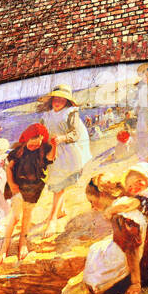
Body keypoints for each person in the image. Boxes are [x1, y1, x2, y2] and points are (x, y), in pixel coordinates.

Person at [82, 161, 148, 294]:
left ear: (102, 194)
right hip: (139, 252)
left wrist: (135, 284)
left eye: (92, 201)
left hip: (132, 262)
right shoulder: (128, 201)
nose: (92, 207)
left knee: (94, 261)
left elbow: (131, 248)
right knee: (96, 248)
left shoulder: (120, 215)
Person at [38, 84, 92, 237]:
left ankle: (52, 219)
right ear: (52, 99)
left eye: (62, 99)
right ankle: (60, 211)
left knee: (58, 185)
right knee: (57, 184)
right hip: (52, 152)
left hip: (68, 152)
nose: (58, 102)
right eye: (56, 98)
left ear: (67, 101)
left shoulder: (70, 113)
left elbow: (75, 134)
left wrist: (62, 138)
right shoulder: (47, 115)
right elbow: (42, 132)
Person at [0, 123, 55, 263]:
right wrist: (11, 184)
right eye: (32, 144)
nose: (34, 146)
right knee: (16, 217)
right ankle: (4, 247)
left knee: (27, 214)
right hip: (18, 186)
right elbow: (9, 168)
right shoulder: (17, 151)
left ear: (41, 140)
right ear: (26, 139)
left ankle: (23, 242)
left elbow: (51, 159)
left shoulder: (44, 148)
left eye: (37, 144)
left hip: (35, 187)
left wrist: (54, 145)